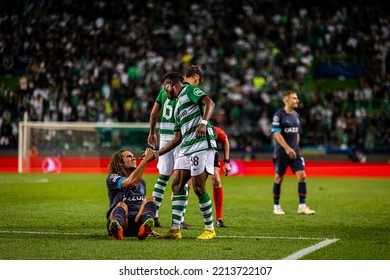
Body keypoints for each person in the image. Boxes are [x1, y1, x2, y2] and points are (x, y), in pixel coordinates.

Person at [149, 72, 217, 240]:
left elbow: (210, 103)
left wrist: (203, 123)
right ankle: (175, 229)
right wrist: (157, 153)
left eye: (165, 89)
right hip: (186, 146)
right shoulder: (177, 106)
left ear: (170, 84)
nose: (165, 93)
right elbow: (177, 138)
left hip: (201, 145)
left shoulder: (190, 90)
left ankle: (210, 229)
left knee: (198, 188)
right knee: (177, 185)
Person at [271, 90, 316, 215]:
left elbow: (296, 133)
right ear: (286, 100)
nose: (297, 100)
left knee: (302, 176)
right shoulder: (279, 115)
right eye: (294, 98)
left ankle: (302, 206)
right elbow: (276, 134)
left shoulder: (296, 115)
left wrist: (295, 148)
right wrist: (287, 148)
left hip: (295, 152)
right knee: (279, 177)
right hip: (282, 152)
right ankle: (276, 206)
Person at [106, 148, 158, 240]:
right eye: (129, 157)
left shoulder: (141, 182)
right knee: (122, 205)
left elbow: (142, 203)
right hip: (122, 220)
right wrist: (145, 160)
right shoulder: (113, 178)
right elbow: (130, 182)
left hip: (136, 222)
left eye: (133, 156)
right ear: (120, 163)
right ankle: (117, 228)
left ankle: (145, 228)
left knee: (150, 199)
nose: (133, 158)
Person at [186, 125, 231, 227]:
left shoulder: (215, 130)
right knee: (187, 184)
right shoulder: (190, 129)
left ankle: (219, 219)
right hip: (193, 151)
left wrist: (227, 161)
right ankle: (180, 219)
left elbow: (225, 140)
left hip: (210, 152)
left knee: (216, 181)